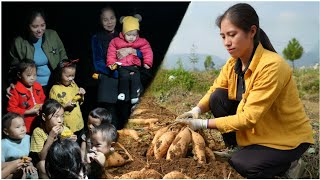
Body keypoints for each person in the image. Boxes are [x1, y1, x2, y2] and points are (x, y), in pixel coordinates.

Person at [176, 3, 314, 179]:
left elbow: (250, 118)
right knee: (218, 96)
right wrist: (196, 110)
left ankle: (290, 164)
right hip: (257, 131)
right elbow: (214, 90)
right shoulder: (233, 64)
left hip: (285, 139)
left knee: (241, 165)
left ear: (252, 31)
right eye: (223, 36)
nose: (227, 42)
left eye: (232, 35)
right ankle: (238, 148)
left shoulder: (272, 66)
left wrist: (202, 124)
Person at [90, 6, 143, 130]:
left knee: (127, 117)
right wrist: (115, 73)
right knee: (111, 121)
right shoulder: (97, 38)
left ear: (117, 19)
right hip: (109, 81)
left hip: (126, 81)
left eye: (112, 18)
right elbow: (97, 63)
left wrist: (131, 50)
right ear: (100, 21)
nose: (109, 22)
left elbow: (141, 53)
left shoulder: (126, 33)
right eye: (105, 19)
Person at [8, 9, 68, 96]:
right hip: (32, 88)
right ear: (28, 26)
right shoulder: (19, 42)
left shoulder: (53, 35)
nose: (40, 30)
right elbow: (14, 68)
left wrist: (67, 76)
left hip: (55, 85)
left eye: (43, 25)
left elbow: (63, 57)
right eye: (35, 26)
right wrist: (12, 83)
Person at [107, 14, 153, 105]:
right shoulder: (115, 41)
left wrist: (148, 62)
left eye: (134, 35)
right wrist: (111, 63)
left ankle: (134, 96)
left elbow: (147, 51)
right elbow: (111, 53)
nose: (131, 37)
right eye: (128, 35)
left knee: (135, 78)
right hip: (122, 66)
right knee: (124, 77)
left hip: (134, 66)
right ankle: (122, 93)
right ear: (123, 33)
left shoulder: (142, 42)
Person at [30, 99, 75, 178]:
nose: (60, 120)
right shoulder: (38, 132)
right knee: (42, 165)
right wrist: (50, 137)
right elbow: (42, 157)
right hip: (46, 161)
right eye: (56, 116)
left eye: (62, 116)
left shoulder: (64, 129)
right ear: (44, 117)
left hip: (58, 160)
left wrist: (70, 142)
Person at [49, 59, 85, 144]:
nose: (70, 78)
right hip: (65, 127)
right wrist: (65, 106)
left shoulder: (73, 84)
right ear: (59, 74)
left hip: (79, 124)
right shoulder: (55, 89)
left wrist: (82, 94)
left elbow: (80, 102)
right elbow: (53, 110)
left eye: (73, 75)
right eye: (67, 76)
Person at [7, 59, 46, 134]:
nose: (32, 78)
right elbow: (11, 109)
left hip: (40, 123)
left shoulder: (38, 86)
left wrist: (42, 106)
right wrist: (28, 112)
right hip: (26, 125)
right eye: (28, 75)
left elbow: (43, 100)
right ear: (19, 75)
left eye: (35, 75)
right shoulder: (15, 90)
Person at [1, 112, 38, 179]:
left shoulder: (28, 138)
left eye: (23, 125)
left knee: (33, 172)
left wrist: (29, 165)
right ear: (6, 131)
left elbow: (32, 156)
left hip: (28, 166)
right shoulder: (3, 144)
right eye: (18, 127)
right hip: (11, 170)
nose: (22, 129)